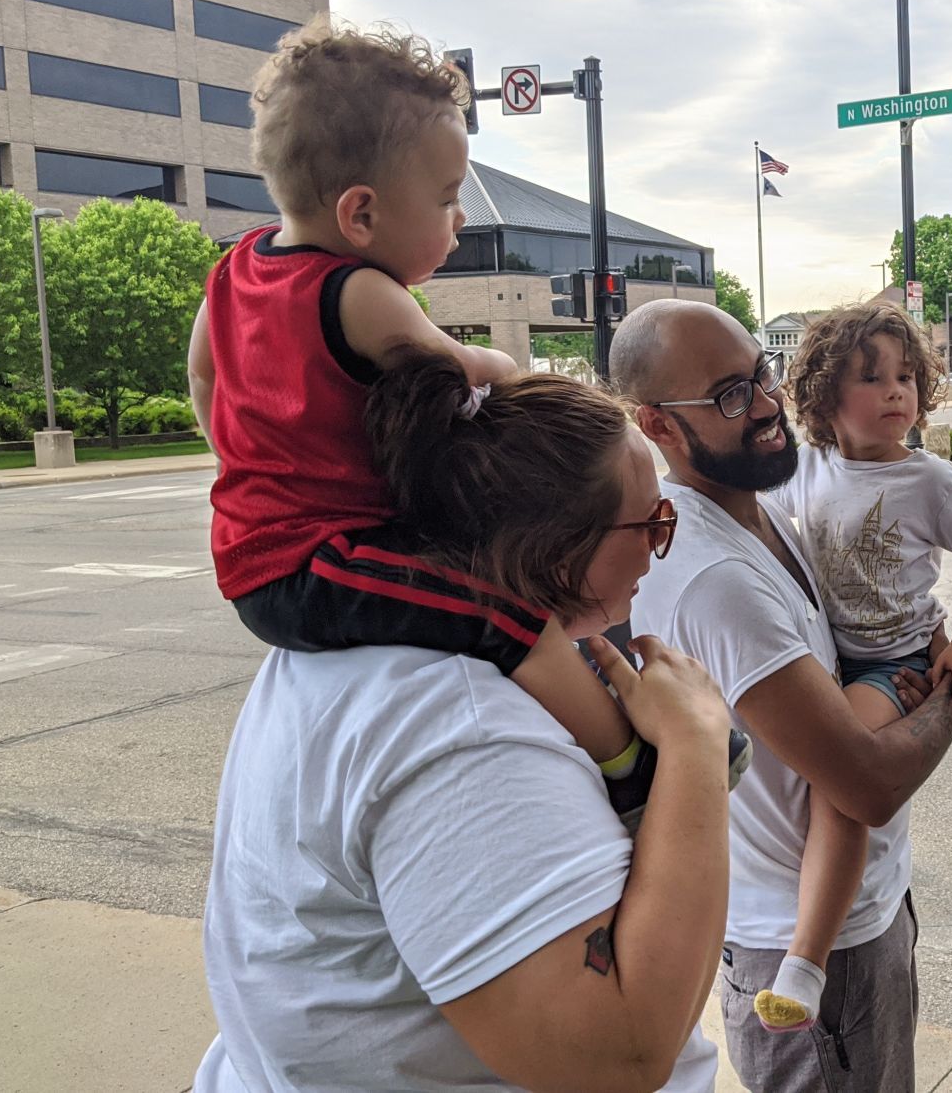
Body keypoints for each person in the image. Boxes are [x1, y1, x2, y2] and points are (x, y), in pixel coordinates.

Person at [183, 17, 740, 824]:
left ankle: (624, 721)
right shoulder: (356, 291)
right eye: (446, 201)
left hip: (272, 555)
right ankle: (627, 766)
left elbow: (204, 373)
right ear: (361, 214)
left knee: (499, 585)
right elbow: (450, 363)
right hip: (314, 562)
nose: (455, 223)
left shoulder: (236, 270)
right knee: (502, 613)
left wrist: (241, 461)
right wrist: (508, 370)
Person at [195, 355, 731, 1092]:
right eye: (649, 521)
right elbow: (617, 1053)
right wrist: (697, 749)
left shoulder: (362, 641)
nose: (658, 545)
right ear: (550, 546)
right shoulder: (464, 726)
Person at [612, 300, 952, 1092]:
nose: (768, 404)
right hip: (810, 960)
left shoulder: (768, 512)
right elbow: (866, 784)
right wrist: (949, 692)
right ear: (658, 424)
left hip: (860, 915)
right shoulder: (716, 578)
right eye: (730, 396)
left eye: (761, 376)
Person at [750, 303, 952, 1035]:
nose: (895, 390)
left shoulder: (929, 480)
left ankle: (804, 962)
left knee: (842, 782)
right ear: (826, 400)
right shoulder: (807, 470)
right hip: (828, 654)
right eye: (870, 378)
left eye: (905, 375)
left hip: (892, 659)